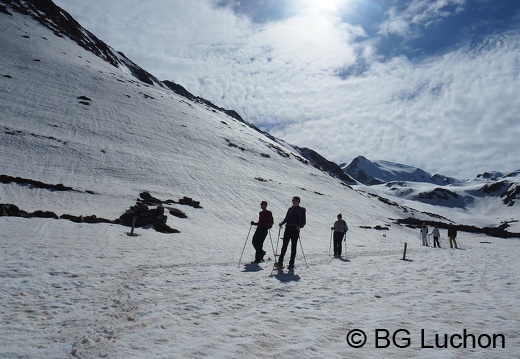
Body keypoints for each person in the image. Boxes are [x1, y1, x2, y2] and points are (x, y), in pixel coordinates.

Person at [275, 196, 306, 269]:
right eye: (293, 200)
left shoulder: (301, 210)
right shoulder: (290, 209)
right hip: (288, 228)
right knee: (284, 246)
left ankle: (291, 263)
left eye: (295, 200)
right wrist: (282, 223)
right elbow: (286, 218)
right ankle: (280, 262)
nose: (293, 201)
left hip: (295, 229)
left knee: (293, 246)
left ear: (298, 201)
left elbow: (303, 221)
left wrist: (300, 226)